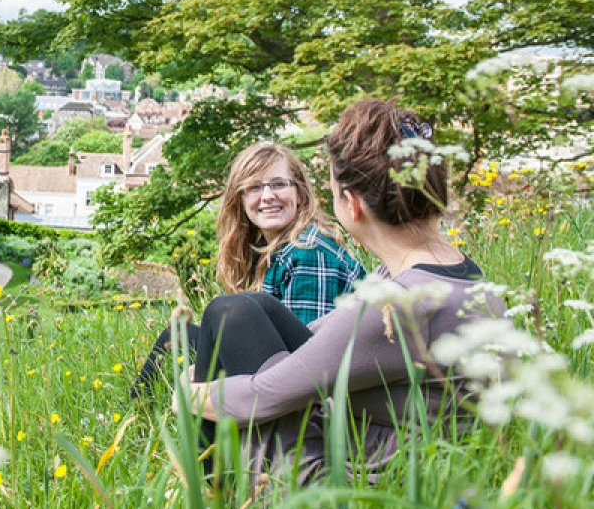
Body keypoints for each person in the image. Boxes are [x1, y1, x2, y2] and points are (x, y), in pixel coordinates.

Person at [176, 98, 507, 484]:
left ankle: (211, 488)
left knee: (232, 313)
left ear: (351, 203)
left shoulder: (399, 305)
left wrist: (191, 394)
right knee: (252, 308)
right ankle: (211, 483)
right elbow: (322, 341)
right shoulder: (452, 273)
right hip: (395, 447)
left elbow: (265, 395)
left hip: (353, 484)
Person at [130, 142, 364, 397]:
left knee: (224, 314)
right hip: (283, 372)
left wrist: (207, 378)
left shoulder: (308, 252)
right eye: (254, 187)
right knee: (179, 335)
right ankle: (140, 414)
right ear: (240, 199)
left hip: (327, 399)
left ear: (299, 193)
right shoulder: (268, 251)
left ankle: (200, 431)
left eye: (278, 184)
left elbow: (305, 366)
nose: (267, 196)